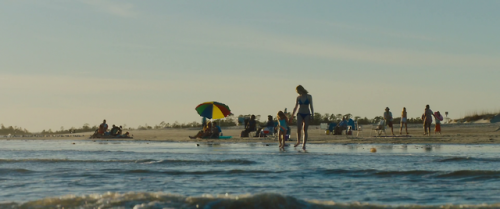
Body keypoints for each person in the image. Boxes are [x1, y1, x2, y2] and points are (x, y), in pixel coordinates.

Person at [291, 85, 314, 150]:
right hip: (300, 113)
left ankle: (304, 144)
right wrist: (292, 115)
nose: (297, 92)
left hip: (307, 113)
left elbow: (311, 106)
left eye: (298, 91)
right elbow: (295, 107)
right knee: (298, 128)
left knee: (305, 130)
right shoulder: (298, 97)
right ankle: (298, 141)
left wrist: (312, 115)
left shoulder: (309, 96)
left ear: (301, 90)